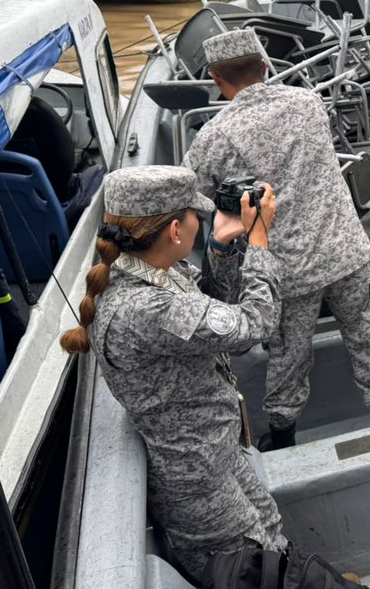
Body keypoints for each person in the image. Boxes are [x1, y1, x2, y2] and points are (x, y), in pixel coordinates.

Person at [182, 28, 370, 449]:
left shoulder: (213, 137)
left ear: (215, 79)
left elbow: (192, 197)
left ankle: (283, 435)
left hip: (285, 272)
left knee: (288, 357)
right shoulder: (308, 102)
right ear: (265, 66)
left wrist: (232, 209)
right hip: (345, 252)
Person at [59, 166, 285, 580]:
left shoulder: (148, 271)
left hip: (215, 449)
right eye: (196, 216)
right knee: (255, 568)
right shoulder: (147, 308)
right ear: (176, 232)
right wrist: (259, 243)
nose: (203, 220)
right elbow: (254, 324)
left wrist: (220, 246)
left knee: (270, 534)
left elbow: (209, 312)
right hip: (197, 478)